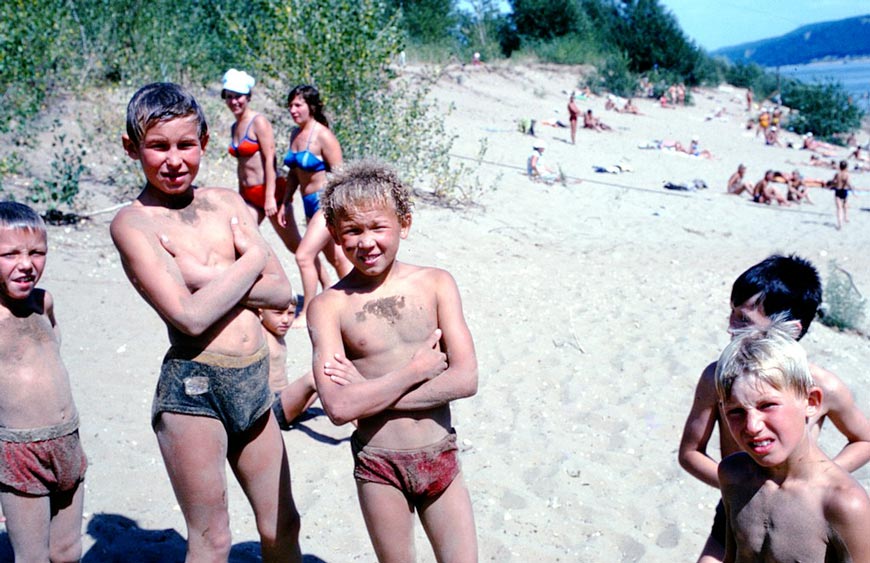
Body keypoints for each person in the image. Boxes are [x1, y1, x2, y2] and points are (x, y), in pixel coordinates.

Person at [111, 82, 302, 562]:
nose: (174, 160)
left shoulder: (226, 203)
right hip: (194, 391)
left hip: (254, 384)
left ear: (205, 143)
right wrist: (252, 257)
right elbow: (189, 317)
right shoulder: (134, 224)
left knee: (283, 523)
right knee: (212, 539)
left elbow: (280, 292)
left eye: (185, 145)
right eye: (158, 146)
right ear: (131, 147)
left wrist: (202, 276)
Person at [308, 160, 479, 562]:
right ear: (335, 235)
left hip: (440, 455)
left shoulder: (436, 283)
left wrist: (368, 393)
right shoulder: (329, 306)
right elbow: (337, 407)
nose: (366, 242)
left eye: (377, 227)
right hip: (379, 465)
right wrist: (414, 373)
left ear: (404, 223)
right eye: (352, 231)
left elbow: (466, 378)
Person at [678, 254, 870, 563]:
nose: (731, 327)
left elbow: (865, 439)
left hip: (805, 510)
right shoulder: (720, 378)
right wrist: (743, 483)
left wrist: (814, 481)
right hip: (739, 501)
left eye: (745, 321)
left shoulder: (820, 385)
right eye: (732, 314)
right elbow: (690, 452)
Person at [715, 321, 870, 562]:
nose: (752, 426)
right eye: (735, 412)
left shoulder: (843, 503)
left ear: (811, 402)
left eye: (767, 405)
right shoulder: (733, 474)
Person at [0, 202, 87, 562]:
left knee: (67, 550)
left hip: (68, 439)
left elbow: (54, 348)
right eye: (9, 254)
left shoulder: (43, 302)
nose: (26, 263)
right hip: (20, 452)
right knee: (32, 556)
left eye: (37, 252)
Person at [222, 70, 330, 288]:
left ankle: (327, 285)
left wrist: (271, 197)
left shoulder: (258, 122)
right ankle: (252, 293)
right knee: (240, 242)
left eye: (238, 96)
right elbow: (242, 167)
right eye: (229, 96)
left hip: (269, 191)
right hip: (249, 195)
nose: (234, 101)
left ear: (248, 96)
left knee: (296, 246)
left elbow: (270, 159)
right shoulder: (235, 127)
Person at [279, 84, 352, 329]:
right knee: (336, 258)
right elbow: (293, 172)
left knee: (304, 255)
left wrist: (338, 210)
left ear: (311, 106)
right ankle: (356, 301)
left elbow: (341, 176)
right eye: (290, 105)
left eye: (298, 105)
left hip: (325, 202)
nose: (293, 110)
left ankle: (308, 311)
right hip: (305, 202)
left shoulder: (323, 136)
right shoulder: (295, 134)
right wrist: (286, 200)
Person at [829, 160, 853, 230]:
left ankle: (840, 224)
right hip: (844, 190)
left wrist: (831, 186)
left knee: (839, 208)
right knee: (845, 204)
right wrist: (852, 189)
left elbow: (833, 182)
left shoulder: (837, 174)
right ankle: (846, 217)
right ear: (846, 167)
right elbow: (848, 183)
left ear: (839, 166)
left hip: (838, 190)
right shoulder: (847, 174)